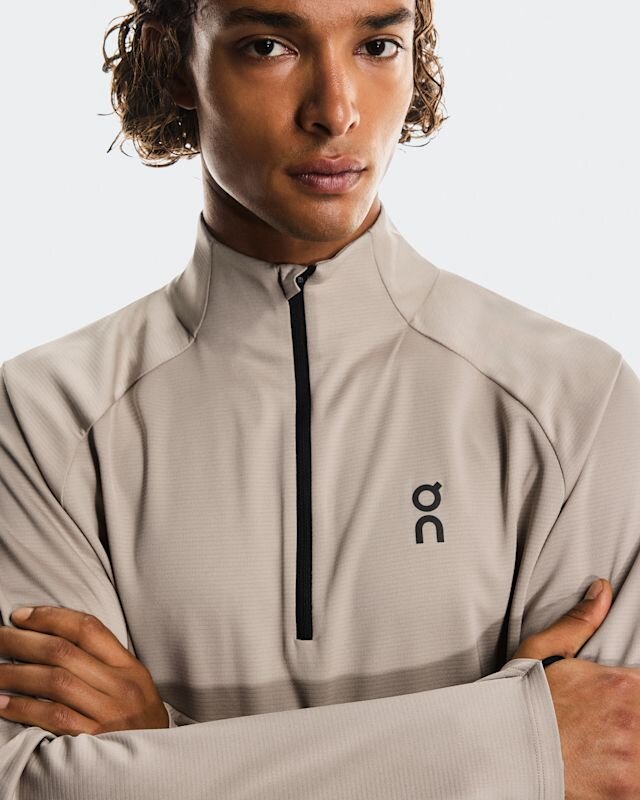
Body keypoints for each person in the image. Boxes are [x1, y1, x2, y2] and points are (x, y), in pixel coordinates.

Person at [0, 1, 639, 797]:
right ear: (176, 60)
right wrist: (511, 745)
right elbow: (36, 784)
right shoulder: (42, 420)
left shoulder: (577, 404)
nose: (336, 111)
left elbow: (616, 760)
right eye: (269, 45)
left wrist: (157, 749)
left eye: (378, 45)